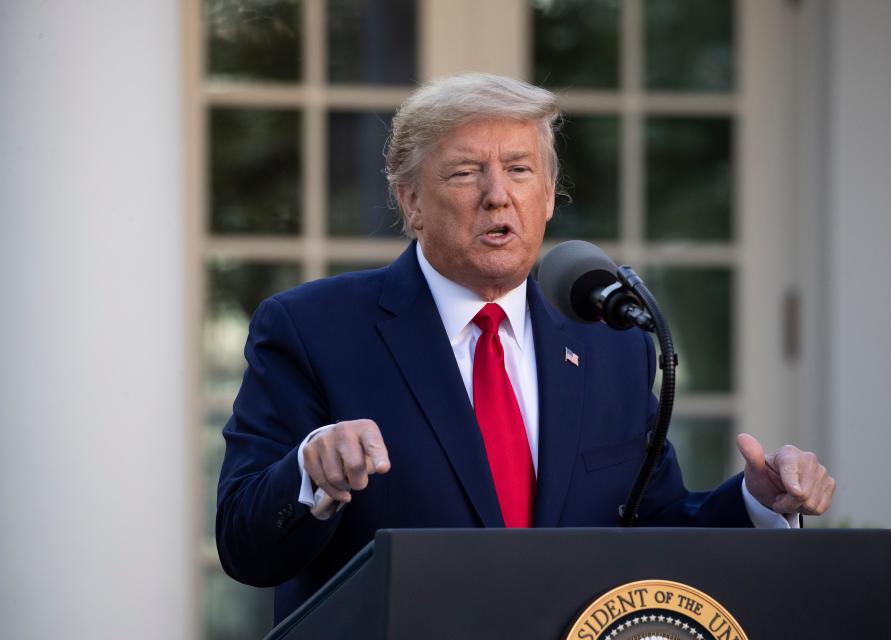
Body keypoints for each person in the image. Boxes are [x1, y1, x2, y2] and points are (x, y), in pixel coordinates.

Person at [216, 73, 836, 623]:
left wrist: (756, 502)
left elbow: (650, 531)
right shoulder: (312, 329)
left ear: (546, 196)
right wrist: (307, 474)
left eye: (519, 169)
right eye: (465, 172)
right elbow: (245, 544)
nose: (497, 194)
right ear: (411, 203)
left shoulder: (609, 342)